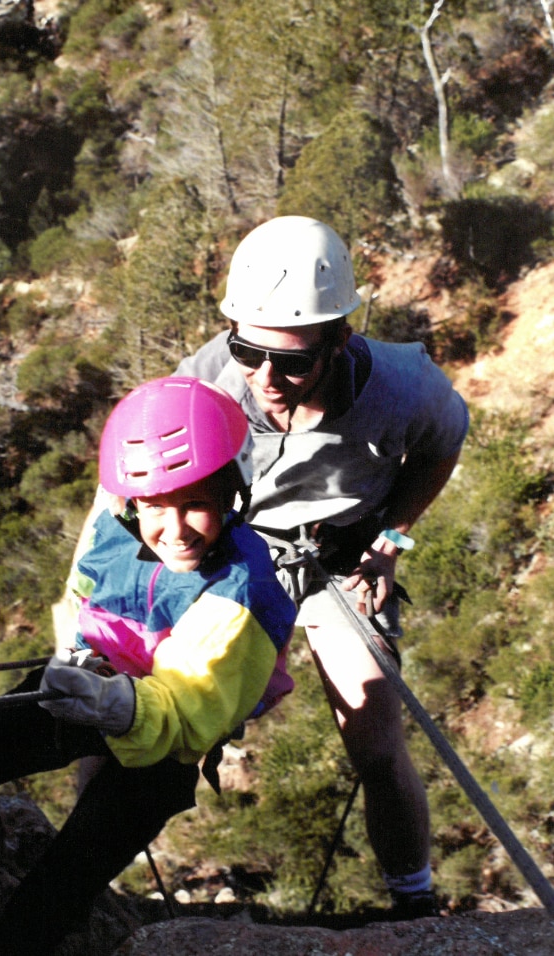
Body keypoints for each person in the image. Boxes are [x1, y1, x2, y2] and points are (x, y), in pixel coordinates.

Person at [0, 376, 296, 956]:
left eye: (197, 505)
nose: (175, 531)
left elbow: (191, 713)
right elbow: (86, 593)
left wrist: (116, 704)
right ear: (131, 503)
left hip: (167, 736)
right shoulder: (115, 528)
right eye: (156, 507)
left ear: (232, 495)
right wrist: (77, 653)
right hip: (90, 679)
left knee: (65, 878)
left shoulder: (242, 591)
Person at [174, 215, 470, 917]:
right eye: (248, 350)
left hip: (341, 562)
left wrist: (391, 539)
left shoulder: (403, 386)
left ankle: (413, 899)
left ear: (341, 338)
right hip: (247, 556)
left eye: (293, 361)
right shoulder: (208, 380)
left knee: (374, 737)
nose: (266, 379)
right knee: (164, 722)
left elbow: (441, 445)